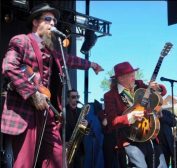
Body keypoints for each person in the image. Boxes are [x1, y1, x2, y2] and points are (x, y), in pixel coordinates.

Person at [1, 3, 103, 167]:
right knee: (25, 163)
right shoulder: (21, 40)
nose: (53, 23)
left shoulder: (54, 51)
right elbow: (9, 66)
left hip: (47, 113)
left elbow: (70, 60)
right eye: (48, 19)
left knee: (57, 158)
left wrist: (91, 65)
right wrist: (33, 93)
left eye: (55, 21)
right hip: (25, 111)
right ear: (35, 22)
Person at [103, 61, 168, 168]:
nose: (134, 77)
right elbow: (111, 122)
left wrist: (158, 88)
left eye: (134, 74)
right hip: (130, 140)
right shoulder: (110, 95)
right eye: (130, 75)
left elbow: (162, 93)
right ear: (120, 78)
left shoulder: (140, 84)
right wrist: (130, 117)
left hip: (150, 135)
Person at [66, 89, 87, 168]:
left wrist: (86, 126)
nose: (76, 99)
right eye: (73, 97)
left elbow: (85, 132)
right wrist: (63, 143)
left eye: (77, 97)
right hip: (67, 148)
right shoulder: (63, 110)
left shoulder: (81, 111)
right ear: (68, 99)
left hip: (79, 149)